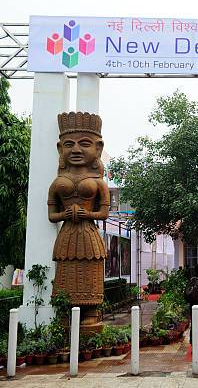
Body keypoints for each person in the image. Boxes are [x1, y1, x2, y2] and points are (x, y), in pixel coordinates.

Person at [48, 112, 110, 326]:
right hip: (67, 236)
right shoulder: (58, 182)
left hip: (88, 235)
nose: (75, 150)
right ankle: (65, 312)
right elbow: (51, 215)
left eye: (84, 143)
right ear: (60, 148)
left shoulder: (99, 182)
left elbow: (104, 214)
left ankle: (91, 314)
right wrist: (64, 215)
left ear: (98, 148)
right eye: (68, 144)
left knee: (90, 271)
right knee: (66, 272)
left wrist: (88, 214)